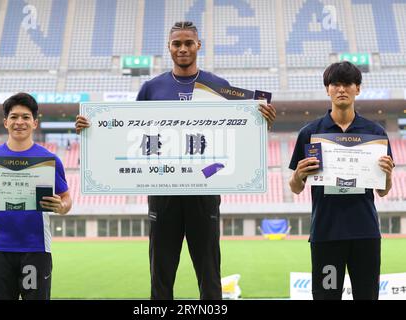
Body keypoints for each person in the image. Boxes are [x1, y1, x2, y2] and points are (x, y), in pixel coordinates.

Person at [76, 21, 276, 300]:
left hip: (204, 189)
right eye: (176, 44)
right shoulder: (151, 89)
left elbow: (237, 135)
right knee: (161, 270)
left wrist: (261, 123)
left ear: (198, 46)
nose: (182, 49)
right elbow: (127, 133)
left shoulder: (219, 87)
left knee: (209, 271)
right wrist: (92, 130)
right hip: (163, 190)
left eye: (188, 43)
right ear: (169, 47)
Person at [288, 61, 394, 300]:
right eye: (335, 84)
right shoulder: (310, 133)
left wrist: (387, 175)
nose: (341, 89)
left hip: (365, 233)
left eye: (348, 84)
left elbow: (384, 191)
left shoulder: (375, 133)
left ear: (358, 88)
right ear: (328, 89)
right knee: (327, 297)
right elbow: (295, 188)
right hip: (326, 233)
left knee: (366, 296)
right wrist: (298, 174)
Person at [0, 92, 72, 300]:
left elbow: (66, 198)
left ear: (35, 123)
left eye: (25, 117)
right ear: (5, 122)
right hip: (0, 247)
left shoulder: (49, 160)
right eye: (14, 117)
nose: (19, 122)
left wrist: (61, 206)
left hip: (37, 248)